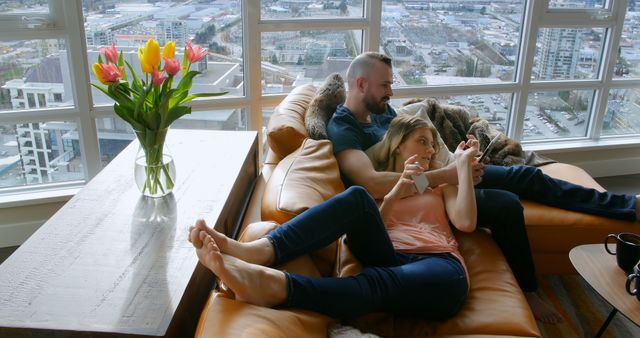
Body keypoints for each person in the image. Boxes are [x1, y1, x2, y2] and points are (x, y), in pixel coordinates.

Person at [326, 51, 640, 323]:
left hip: (434, 179)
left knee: (523, 176)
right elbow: (371, 183)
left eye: (391, 84)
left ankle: (626, 205)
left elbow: (422, 150)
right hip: (416, 195)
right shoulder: (345, 128)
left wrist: (461, 162)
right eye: (385, 85)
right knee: (505, 204)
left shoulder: (382, 113)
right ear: (362, 84)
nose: (391, 92)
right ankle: (528, 290)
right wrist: (448, 175)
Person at [188, 119, 480, 320]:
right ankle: (260, 251)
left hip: (437, 263)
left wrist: (462, 167)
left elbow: (465, 222)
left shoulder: (442, 187)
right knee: (357, 197)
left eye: (433, 145)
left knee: (380, 282)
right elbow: (372, 226)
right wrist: (396, 192)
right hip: (386, 252)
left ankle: (277, 286)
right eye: (422, 141)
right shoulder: (380, 183)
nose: (430, 150)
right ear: (398, 145)